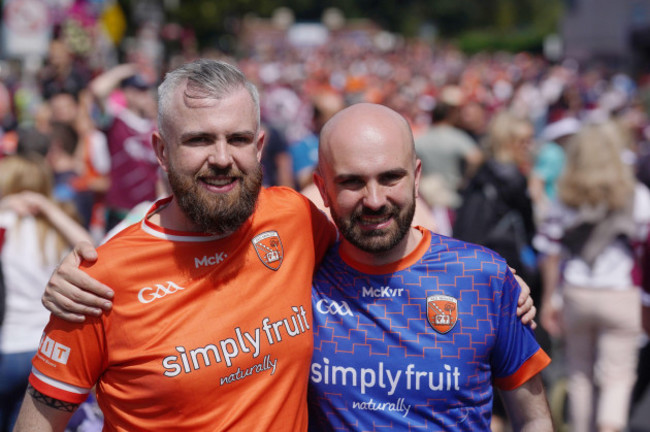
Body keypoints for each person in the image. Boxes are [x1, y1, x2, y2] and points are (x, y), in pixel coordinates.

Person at [25, 61, 537, 431]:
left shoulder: (292, 218)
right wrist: (67, 269)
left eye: (238, 139)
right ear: (161, 149)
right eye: (199, 140)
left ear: (260, 145)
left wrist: (490, 278)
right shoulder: (100, 281)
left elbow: (376, 228)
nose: (222, 158)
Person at [307, 103, 552, 430]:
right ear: (323, 188)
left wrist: (502, 288)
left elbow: (533, 419)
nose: (375, 200)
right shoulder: (300, 275)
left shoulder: (482, 277)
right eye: (352, 182)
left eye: (391, 177)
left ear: (417, 177)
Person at [535, 121, 650, 432]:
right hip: (621, 292)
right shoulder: (637, 196)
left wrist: (548, 300)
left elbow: (549, 250)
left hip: (576, 291)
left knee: (580, 373)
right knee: (618, 376)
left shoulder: (563, 196)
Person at [0, 154, 92, 432]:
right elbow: (91, 246)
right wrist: (48, 208)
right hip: (44, 350)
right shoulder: (55, 231)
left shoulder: (3, 224)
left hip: (6, 346)